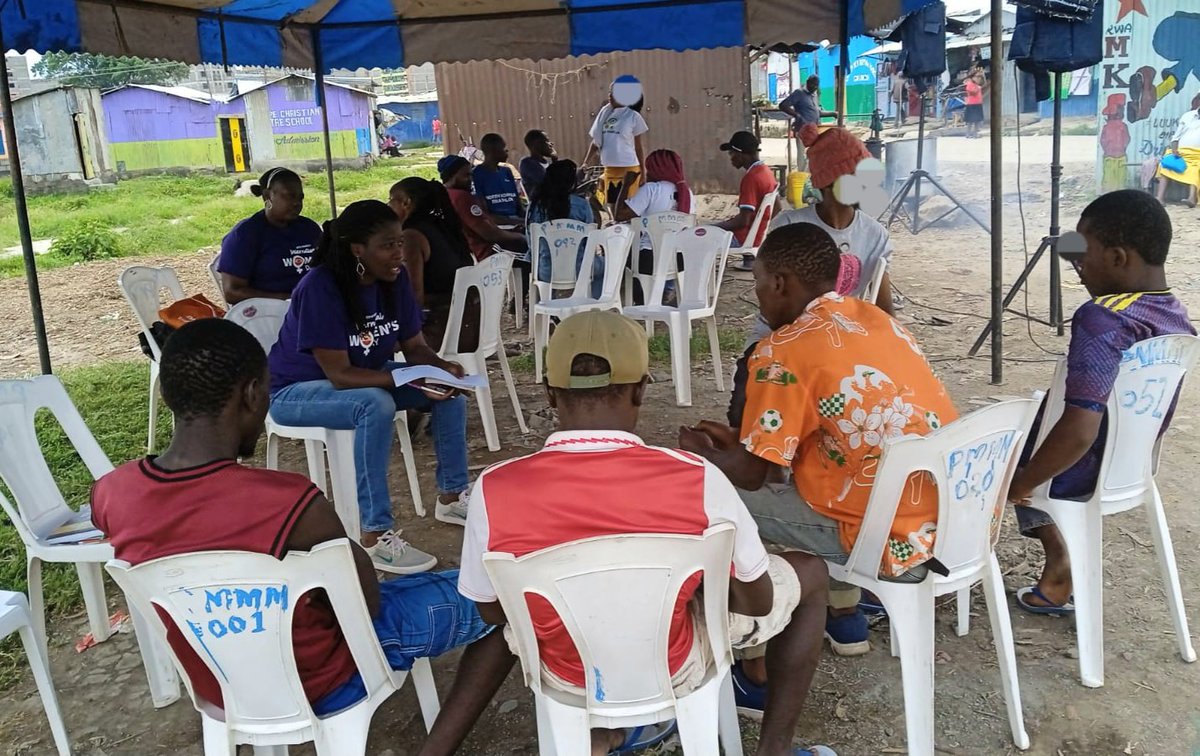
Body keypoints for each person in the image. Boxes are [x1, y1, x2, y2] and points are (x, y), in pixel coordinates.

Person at [91, 318, 515, 754]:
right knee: (504, 598)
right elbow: (364, 605)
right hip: (329, 678)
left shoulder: (111, 494)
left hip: (221, 681)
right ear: (253, 394)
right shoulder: (289, 502)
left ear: (167, 395)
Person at [459, 310, 837, 756]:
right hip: (674, 663)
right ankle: (773, 750)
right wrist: (693, 588)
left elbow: (491, 611)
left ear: (549, 393)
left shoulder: (495, 487)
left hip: (565, 670)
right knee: (810, 572)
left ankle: (602, 731)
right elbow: (757, 600)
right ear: (639, 389)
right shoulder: (697, 477)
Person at [680, 223, 958, 657]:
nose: (757, 295)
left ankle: (747, 658)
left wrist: (699, 458)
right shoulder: (878, 321)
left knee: (704, 496)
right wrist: (741, 440)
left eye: (757, 284)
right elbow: (831, 428)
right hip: (950, 521)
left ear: (778, 282)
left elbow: (755, 475)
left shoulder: (782, 348)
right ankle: (845, 616)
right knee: (835, 476)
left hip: (890, 536)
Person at [1006, 190, 1194, 614]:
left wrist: (1022, 482)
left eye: (1083, 256)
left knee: (998, 451)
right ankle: (1059, 565)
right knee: (1034, 420)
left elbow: (1079, 429)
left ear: (1117, 257)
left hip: (1075, 471)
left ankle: (1056, 561)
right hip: (1130, 464)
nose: (1078, 268)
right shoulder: (1174, 315)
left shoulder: (1103, 317)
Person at [267, 200, 473, 575]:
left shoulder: (394, 280)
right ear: (356, 248)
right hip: (297, 391)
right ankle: (376, 536)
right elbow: (340, 375)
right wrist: (409, 376)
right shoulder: (321, 286)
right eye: (387, 245)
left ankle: (453, 495)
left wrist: (442, 369)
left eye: (400, 243)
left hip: (364, 375)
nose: (399, 253)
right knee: (374, 404)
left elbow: (415, 348)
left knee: (448, 393)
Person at [769, 124, 895, 318]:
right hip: (790, 331)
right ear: (826, 183)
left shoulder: (875, 235)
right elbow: (774, 303)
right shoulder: (788, 228)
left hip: (842, 334)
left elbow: (885, 311)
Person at [388, 177, 478, 353]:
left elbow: (414, 296)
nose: (388, 206)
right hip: (469, 324)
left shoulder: (411, 236)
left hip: (441, 331)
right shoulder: (444, 227)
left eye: (390, 200)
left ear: (406, 203)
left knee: (373, 345)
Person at [217, 167, 322, 304]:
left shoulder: (309, 229)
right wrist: (287, 299)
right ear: (267, 196)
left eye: (300, 197)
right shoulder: (245, 235)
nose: (297, 203)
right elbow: (232, 292)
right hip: (267, 314)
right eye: (289, 196)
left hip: (311, 305)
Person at [614, 148, 695, 304]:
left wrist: (626, 185)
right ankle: (666, 290)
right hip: (678, 259)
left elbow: (619, 215)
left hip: (648, 260)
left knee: (623, 251)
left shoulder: (651, 190)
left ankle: (641, 297)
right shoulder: (687, 193)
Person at [527, 159, 603, 299]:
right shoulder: (582, 205)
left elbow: (531, 242)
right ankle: (593, 305)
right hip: (580, 269)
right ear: (571, 181)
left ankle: (545, 306)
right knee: (606, 267)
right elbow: (590, 243)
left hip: (545, 271)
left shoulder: (535, 206)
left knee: (542, 260)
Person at [440, 155, 528, 262]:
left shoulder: (445, 194)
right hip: (488, 253)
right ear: (453, 175)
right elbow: (490, 234)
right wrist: (519, 237)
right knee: (531, 254)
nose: (470, 180)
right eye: (466, 175)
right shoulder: (462, 197)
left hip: (469, 251)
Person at [583, 75, 649, 206]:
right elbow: (596, 141)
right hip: (610, 168)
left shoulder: (633, 116)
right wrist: (585, 162)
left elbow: (638, 147)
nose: (610, 96)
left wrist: (643, 171)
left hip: (629, 168)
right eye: (610, 92)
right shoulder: (604, 113)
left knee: (628, 206)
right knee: (612, 205)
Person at [717, 131, 778, 271]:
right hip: (757, 236)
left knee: (700, 236)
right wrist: (760, 227)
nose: (731, 158)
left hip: (743, 238)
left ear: (741, 154)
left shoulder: (751, 178)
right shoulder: (766, 172)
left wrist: (714, 227)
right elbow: (777, 207)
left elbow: (742, 221)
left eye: (731, 154)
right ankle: (749, 257)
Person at [779, 76, 836, 170]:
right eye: (813, 84)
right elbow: (783, 105)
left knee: (813, 154)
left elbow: (818, 113)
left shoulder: (814, 96)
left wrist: (833, 113)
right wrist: (796, 115)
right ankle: (802, 178)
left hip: (813, 131)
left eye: (816, 85)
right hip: (802, 130)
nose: (814, 87)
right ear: (807, 82)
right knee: (802, 155)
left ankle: (810, 177)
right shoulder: (799, 93)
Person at [1154, 93, 1200, 209]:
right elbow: (1176, 137)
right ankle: (1160, 198)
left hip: (1197, 155)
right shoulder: (1188, 116)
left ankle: (1191, 199)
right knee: (1165, 165)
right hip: (1180, 152)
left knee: (1195, 169)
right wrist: (1174, 149)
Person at [472, 133, 524, 226]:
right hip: (498, 224)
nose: (507, 150)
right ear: (493, 151)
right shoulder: (476, 174)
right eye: (504, 147)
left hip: (516, 220)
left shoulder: (507, 171)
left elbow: (518, 205)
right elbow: (484, 214)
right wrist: (515, 222)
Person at [518, 129, 557, 198]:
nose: (551, 144)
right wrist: (555, 160)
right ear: (536, 144)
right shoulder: (527, 163)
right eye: (546, 141)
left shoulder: (547, 162)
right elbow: (549, 182)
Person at [964, 67, 985, 139]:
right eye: (977, 77)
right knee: (970, 121)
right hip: (971, 104)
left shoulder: (976, 84)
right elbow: (973, 92)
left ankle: (975, 134)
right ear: (973, 77)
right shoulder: (969, 84)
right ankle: (968, 133)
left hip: (978, 104)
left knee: (977, 121)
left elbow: (983, 83)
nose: (979, 78)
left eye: (980, 77)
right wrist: (978, 88)